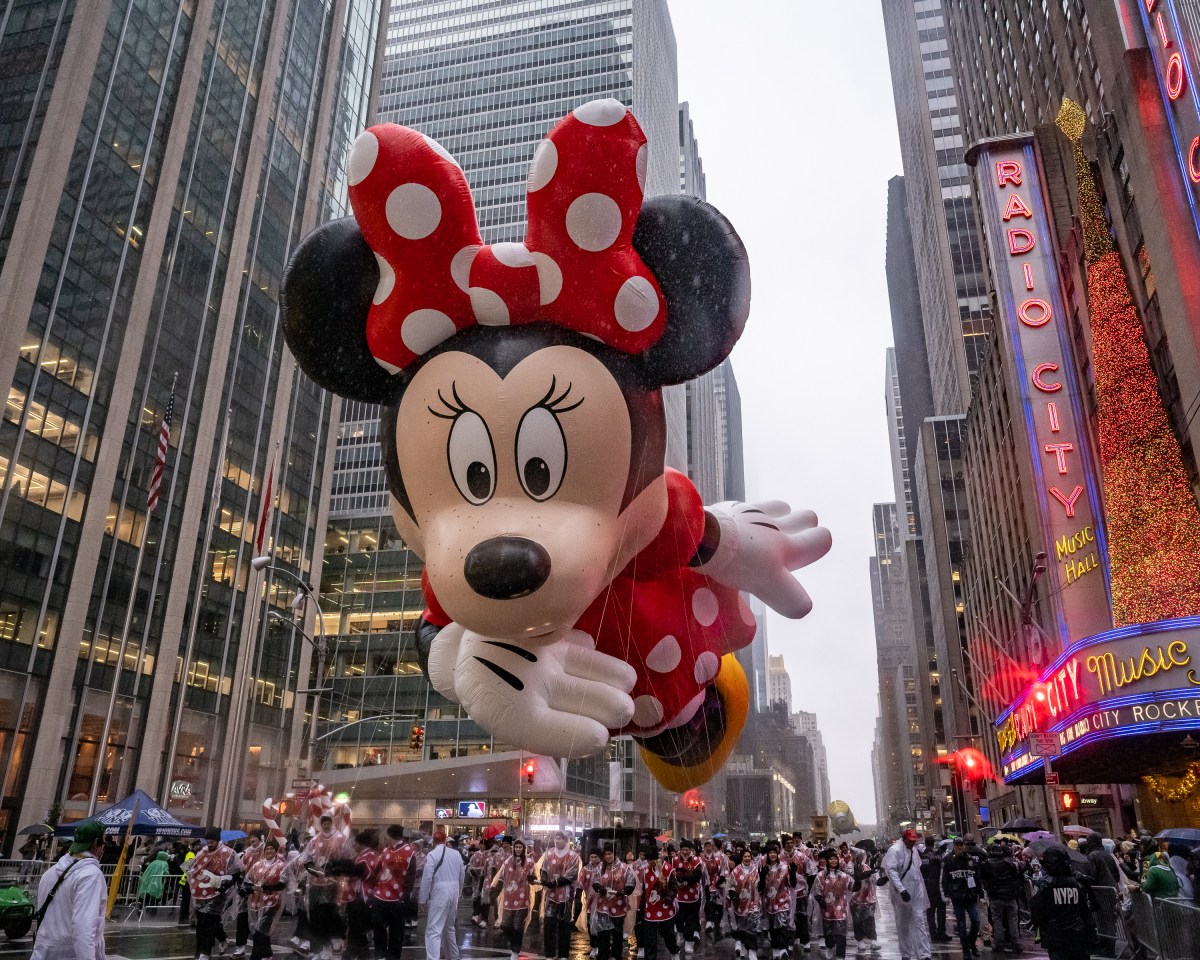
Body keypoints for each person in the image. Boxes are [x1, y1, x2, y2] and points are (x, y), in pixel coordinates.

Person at [31, 819, 107, 960]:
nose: (105, 847)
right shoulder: (91, 875)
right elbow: (84, 927)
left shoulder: (50, 872)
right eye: (104, 841)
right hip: (70, 953)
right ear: (97, 842)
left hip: (42, 951)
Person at [1030, 846, 1095, 960]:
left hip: (1055, 936)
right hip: (1077, 933)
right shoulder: (1075, 882)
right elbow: (1085, 910)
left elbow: (1037, 913)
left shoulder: (1045, 885)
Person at [188, 827, 241, 960]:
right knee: (201, 922)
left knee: (209, 922)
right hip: (201, 893)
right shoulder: (202, 852)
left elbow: (237, 871)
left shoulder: (229, 853)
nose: (209, 844)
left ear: (218, 840)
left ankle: (205, 953)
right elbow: (191, 867)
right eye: (208, 841)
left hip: (218, 894)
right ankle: (210, 945)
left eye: (212, 842)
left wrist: (224, 885)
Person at [882, 829, 930, 960]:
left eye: (914, 841)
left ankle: (924, 954)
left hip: (916, 888)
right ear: (904, 839)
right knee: (903, 924)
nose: (912, 843)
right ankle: (906, 953)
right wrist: (902, 889)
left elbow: (917, 867)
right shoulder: (895, 850)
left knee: (919, 921)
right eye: (910, 841)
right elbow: (892, 871)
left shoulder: (913, 849)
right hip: (902, 891)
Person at [371, 824, 415, 960]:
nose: (385, 838)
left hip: (397, 898)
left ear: (390, 836)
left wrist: (404, 897)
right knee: (377, 925)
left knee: (396, 931)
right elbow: (377, 870)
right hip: (380, 896)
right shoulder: (385, 851)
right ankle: (380, 954)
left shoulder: (409, 851)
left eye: (386, 836)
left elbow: (410, 876)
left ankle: (393, 957)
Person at [420, 830, 465, 960]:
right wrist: (459, 891)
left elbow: (427, 878)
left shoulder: (432, 855)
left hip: (439, 891)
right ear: (445, 841)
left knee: (433, 929)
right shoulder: (456, 854)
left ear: (434, 842)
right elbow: (462, 874)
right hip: (454, 890)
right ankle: (453, 956)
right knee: (449, 928)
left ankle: (433, 958)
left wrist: (422, 899)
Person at [243, 838, 288, 960]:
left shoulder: (281, 865)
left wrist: (266, 887)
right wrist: (249, 888)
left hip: (271, 903)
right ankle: (267, 954)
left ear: (276, 850)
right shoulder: (257, 865)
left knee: (261, 930)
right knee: (260, 930)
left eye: (272, 848)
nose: (269, 850)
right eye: (267, 848)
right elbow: (248, 880)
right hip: (256, 902)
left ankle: (255, 957)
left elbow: (283, 884)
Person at [539, 830, 580, 960]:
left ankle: (563, 954)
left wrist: (555, 882)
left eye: (560, 839)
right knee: (549, 923)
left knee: (564, 925)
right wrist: (544, 879)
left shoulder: (573, 856)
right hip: (551, 895)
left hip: (566, 895)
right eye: (556, 838)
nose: (557, 841)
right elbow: (544, 868)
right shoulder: (549, 853)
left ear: (566, 840)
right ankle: (549, 954)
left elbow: (571, 874)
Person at [493, 838, 536, 960]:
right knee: (505, 925)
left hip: (523, 899)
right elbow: (501, 877)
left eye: (520, 847)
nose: (518, 849)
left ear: (523, 849)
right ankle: (514, 943)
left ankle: (515, 951)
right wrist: (495, 889)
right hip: (508, 899)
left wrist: (533, 878)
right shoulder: (507, 862)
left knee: (518, 926)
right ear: (513, 848)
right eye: (516, 847)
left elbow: (533, 876)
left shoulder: (529, 862)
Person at [592, 844, 635, 960]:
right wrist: (599, 888)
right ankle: (603, 955)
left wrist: (624, 891)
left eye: (610, 853)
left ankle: (616, 955)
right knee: (603, 933)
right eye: (606, 854)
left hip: (619, 905)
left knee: (617, 933)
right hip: (603, 905)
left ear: (614, 854)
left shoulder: (624, 868)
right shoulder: (600, 868)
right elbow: (594, 881)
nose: (608, 856)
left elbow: (631, 882)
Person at [979, 841, 1023, 956]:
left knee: (997, 921)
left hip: (996, 897)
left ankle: (999, 944)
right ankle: (1015, 943)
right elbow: (1017, 875)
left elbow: (984, 879)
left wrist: (989, 890)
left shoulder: (986, 864)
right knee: (1012, 921)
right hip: (1009, 896)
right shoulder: (1009, 863)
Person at [942, 837, 981, 959]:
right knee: (961, 924)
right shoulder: (948, 859)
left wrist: (981, 893)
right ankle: (966, 950)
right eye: (957, 844)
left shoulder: (970, 859)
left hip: (970, 895)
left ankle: (971, 942)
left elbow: (977, 877)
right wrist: (946, 893)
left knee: (976, 921)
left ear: (964, 845)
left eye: (961, 844)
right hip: (957, 896)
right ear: (954, 846)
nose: (959, 847)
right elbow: (945, 878)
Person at [640, 844, 680, 960]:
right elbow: (644, 890)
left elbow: (674, 887)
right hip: (650, 909)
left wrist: (669, 897)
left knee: (668, 934)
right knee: (650, 938)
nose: (649, 863)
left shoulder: (667, 868)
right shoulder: (645, 871)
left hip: (665, 907)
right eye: (647, 860)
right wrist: (641, 907)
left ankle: (674, 951)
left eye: (650, 860)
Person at [760, 842, 797, 960]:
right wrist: (762, 877)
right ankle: (776, 949)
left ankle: (783, 948)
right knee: (773, 928)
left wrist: (793, 874)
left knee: (782, 925)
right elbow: (759, 888)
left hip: (782, 902)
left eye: (774, 852)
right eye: (770, 852)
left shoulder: (785, 867)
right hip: (769, 903)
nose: (772, 855)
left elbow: (793, 884)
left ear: (777, 855)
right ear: (767, 855)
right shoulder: (764, 869)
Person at [813, 848, 851, 960]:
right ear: (827, 861)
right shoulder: (821, 875)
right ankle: (829, 948)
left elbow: (853, 886)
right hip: (827, 910)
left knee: (841, 934)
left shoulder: (843, 876)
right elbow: (817, 891)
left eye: (835, 859)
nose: (833, 861)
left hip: (841, 910)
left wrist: (858, 879)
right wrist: (821, 901)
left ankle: (840, 955)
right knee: (828, 933)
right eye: (831, 859)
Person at [672, 839, 704, 952]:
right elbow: (672, 874)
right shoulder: (675, 860)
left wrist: (687, 880)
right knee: (679, 918)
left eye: (687, 850)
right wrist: (677, 881)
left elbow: (698, 875)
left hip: (692, 895)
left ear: (691, 850)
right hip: (679, 896)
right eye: (683, 850)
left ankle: (689, 941)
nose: (685, 852)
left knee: (691, 920)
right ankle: (680, 933)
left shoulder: (696, 860)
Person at [918, 836, 949, 944]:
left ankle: (933, 932)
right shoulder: (936, 857)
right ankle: (941, 931)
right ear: (933, 843)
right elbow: (942, 866)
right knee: (941, 910)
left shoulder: (921, 857)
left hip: (926, 887)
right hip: (936, 886)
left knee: (930, 911)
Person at [849, 848, 880, 955]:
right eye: (859, 856)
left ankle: (873, 940)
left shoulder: (866, 866)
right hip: (856, 899)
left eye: (863, 855)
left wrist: (885, 876)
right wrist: (869, 872)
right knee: (857, 921)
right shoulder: (850, 866)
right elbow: (855, 878)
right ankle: (860, 941)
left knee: (870, 919)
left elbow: (875, 880)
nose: (861, 858)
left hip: (869, 899)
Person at [701, 839, 727, 940]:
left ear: (713, 847)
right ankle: (708, 920)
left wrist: (721, 878)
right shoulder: (700, 859)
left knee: (714, 902)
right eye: (706, 846)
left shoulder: (718, 860)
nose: (708, 848)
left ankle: (711, 921)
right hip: (703, 885)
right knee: (707, 903)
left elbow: (723, 870)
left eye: (710, 846)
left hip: (715, 885)